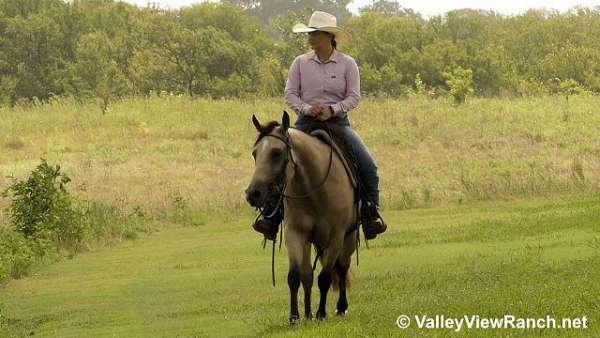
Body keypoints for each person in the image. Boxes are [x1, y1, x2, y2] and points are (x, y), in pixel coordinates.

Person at [252, 11, 387, 240]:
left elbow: (354, 96)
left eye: (314, 34)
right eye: (310, 33)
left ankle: (370, 213)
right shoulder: (300, 63)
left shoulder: (347, 64)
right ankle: (270, 216)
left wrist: (332, 109)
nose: (310, 38)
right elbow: (291, 94)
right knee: (280, 160)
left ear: (328, 36)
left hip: (337, 123)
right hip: (304, 122)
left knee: (368, 164)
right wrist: (307, 108)